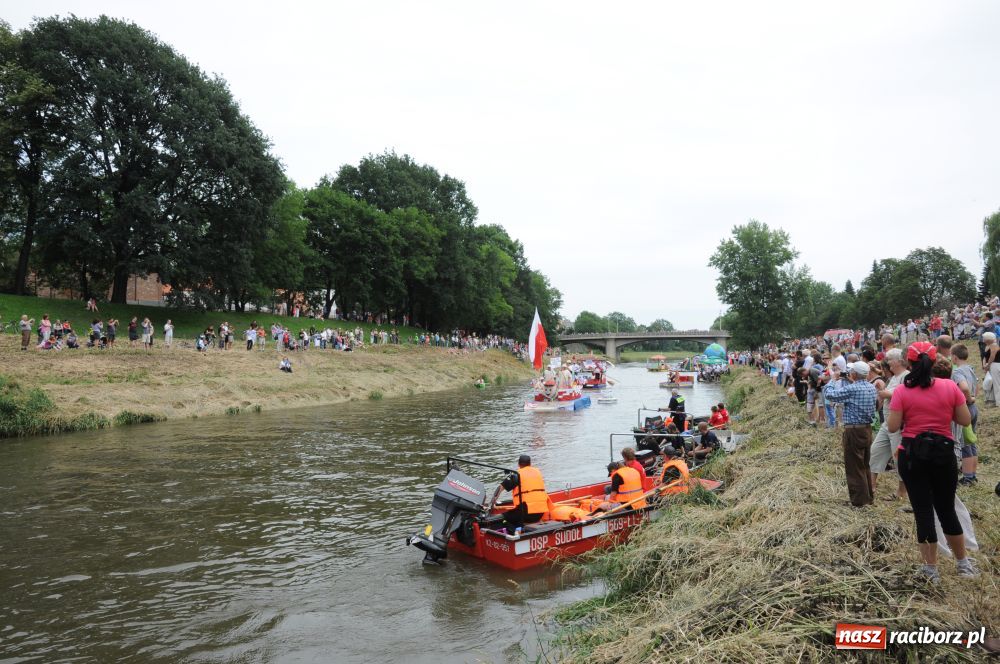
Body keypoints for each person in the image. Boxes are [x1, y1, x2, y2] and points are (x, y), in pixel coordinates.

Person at [887, 342, 976, 582]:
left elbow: (893, 426)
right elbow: (965, 420)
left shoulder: (902, 391)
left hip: (912, 453)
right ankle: (963, 564)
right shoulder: (949, 386)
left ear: (909, 363)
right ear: (935, 361)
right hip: (942, 453)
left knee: (923, 512)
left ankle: (930, 570)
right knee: (946, 509)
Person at [823, 361, 878, 507]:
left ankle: (859, 502)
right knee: (865, 464)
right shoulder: (872, 387)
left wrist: (832, 380)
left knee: (854, 466)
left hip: (853, 430)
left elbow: (830, 395)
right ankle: (868, 497)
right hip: (866, 429)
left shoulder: (852, 389)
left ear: (853, 374)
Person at [871, 349, 908, 498]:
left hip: (899, 424)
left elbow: (904, 394)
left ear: (899, 361)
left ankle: (902, 492)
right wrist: (882, 391)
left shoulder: (906, 376)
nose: (887, 363)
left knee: (898, 457)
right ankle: (871, 485)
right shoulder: (893, 377)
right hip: (887, 422)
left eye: (890, 360)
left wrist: (886, 393)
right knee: (875, 451)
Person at [490, 455, 548, 532]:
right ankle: (520, 530)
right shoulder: (537, 472)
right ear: (530, 464)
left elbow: (499, 489)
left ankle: (516, 534)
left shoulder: (516, 475)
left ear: (518, 464)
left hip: (525, 514)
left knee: (502, 519)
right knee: (515, 514)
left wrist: (492, 505)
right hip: (540, 512)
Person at [950, 345, 979, 486]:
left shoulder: (957, 372)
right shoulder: (970, 368)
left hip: (965, 409)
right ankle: (972, 474)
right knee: (971, 440)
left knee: (965, 444)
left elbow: (964, 387)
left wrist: (967, 399)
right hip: (973, 408)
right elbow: (976, 385)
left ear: (955, 357)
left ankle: (967, 478)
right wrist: (973, 397)